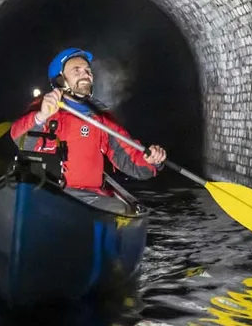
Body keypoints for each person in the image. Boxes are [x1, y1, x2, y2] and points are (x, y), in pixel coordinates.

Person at [10, 47, 167, 212]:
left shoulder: (102, 118)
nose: (85, 74)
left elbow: (127, 157)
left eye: (87, 70)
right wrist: (41, 117)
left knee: (120, 209)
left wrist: (151, 160)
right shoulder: (44, 109)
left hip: (89, 196)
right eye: (76, 70)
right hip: (48, 192)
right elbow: (20, 140)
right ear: (60, 80)